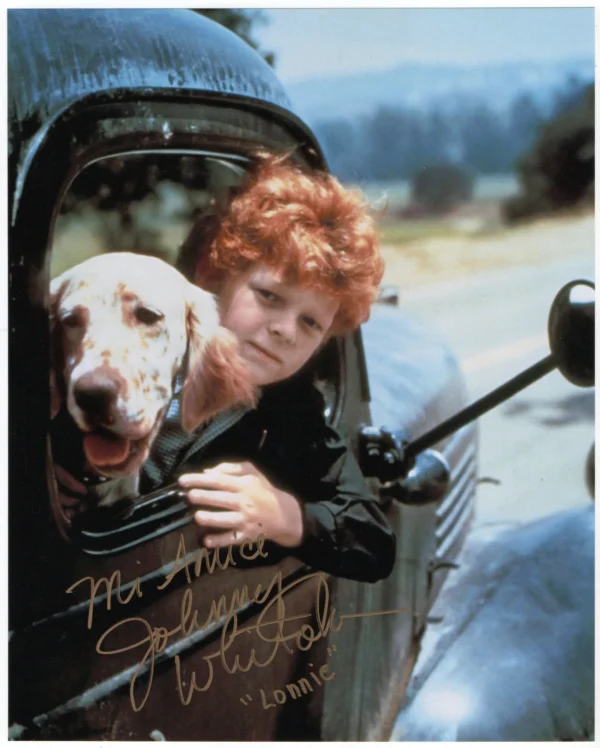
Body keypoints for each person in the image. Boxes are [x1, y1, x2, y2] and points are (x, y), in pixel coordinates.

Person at [139, 151, 396, 583]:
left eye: (311, 322)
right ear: (213, 273)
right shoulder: (139, 348)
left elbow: (373, 540)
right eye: (269, 296)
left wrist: (287, 517)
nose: (284, 331)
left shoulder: (291, 412)